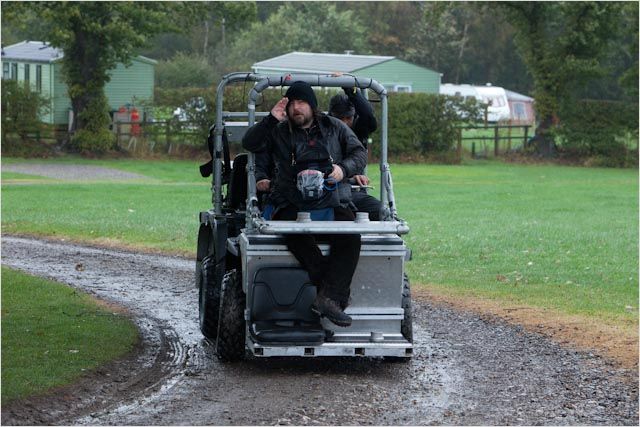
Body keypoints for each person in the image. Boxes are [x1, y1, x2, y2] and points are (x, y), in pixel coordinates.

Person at [242, 81, 367, 327]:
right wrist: (269, 119)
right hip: (289, 202)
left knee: (351, 235)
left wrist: (343, 170)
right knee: (294, 234)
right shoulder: (277, 131)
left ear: (313, 106)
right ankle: (331, 297)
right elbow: (250, 144)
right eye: (291, 104)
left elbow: (359, 154)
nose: (296, 108)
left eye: (302, 103)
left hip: (331, 200)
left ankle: (326, 298)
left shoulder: (336, 127)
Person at [329, 87, 383, 220]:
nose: (345, 123)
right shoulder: (320, 130)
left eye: (349, 118)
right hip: (326, 191)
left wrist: (351, 89)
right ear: (331, 116)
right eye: (340, 118)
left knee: (384, 213)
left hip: (354, 191)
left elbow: (369, 116)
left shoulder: (359, 128)